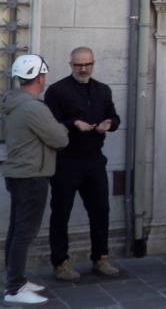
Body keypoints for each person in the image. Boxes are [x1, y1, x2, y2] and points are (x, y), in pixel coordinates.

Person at [44, 47, 121, 282]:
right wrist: (73, 123)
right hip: (66, 159)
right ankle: (60, 263)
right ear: (70, 65)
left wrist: (109, 123)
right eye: (78, 65)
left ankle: (100, 258)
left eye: (88, 64)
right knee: (61, 213)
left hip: (94, 158)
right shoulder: (57, 91)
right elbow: (50, 123)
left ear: (94, 64)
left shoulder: (102, 90)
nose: (83, 69)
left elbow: (115, 117)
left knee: (100, 211)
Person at [2, 54, 69, 306]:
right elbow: (60, 139)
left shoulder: (15, 102)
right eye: (44, 76)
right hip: (31, 175)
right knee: (24, 233)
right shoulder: (33, 107)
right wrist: (62, 128)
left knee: (16, 230)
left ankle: (15, 279)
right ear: (39, 77)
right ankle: (14, 288)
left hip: (19, 174)